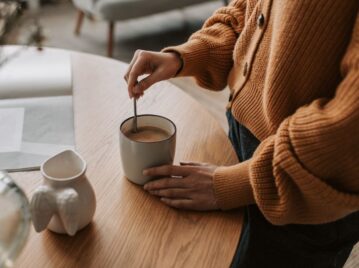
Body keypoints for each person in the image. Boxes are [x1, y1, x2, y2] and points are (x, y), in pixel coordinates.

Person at [124, 1, 359, 267]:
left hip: (305, 188)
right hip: (240, 140)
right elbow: (249, 9)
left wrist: (234, 184)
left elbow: (349, 132)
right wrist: (185, 56)